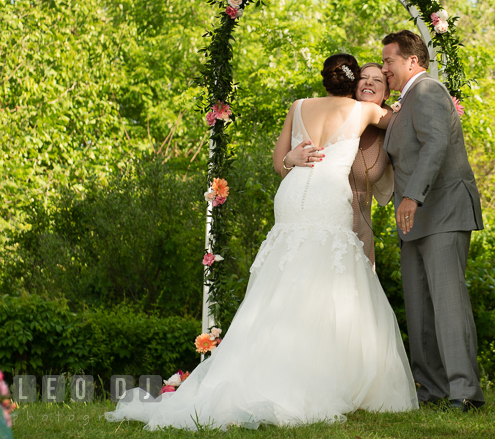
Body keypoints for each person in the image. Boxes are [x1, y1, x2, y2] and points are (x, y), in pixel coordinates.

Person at [105, 53, 418, 431]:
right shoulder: (364, 111)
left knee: (283, 277)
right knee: (331, 275)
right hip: (326, 195)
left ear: (324, 79)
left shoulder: (299, 106)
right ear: (352, 83)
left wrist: (291, 158)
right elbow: (398, 118)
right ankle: (326, 371)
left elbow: (278, 163)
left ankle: (262, 361)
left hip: (291, 191)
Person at [380, 30, 485, 411]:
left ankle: (465, 392)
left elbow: (436, 143)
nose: (385, 68)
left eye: (389, 61)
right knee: (420, 308)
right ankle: (433, 388)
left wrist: (412, 197)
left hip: (441, 210)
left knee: (448, 303)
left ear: (412, 61)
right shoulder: (402, 106)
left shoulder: (427, 91)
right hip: (413, 222)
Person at [349, 63, 394, 268]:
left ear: (386, 93)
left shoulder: (391, 130)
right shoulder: (336, 116)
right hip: (326, 220)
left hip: (362, 228)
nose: (369, 82)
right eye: (363, 77)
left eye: (377, 80)